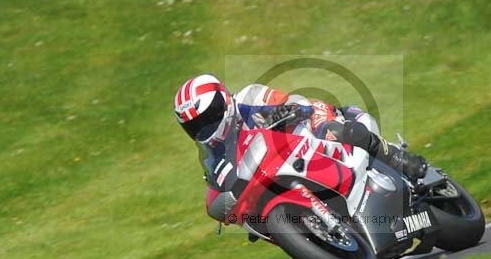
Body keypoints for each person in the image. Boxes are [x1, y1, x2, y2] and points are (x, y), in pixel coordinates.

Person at [173, 74, 428, 180]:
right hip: (283, 168)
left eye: (210, 116)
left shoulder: (248, 98)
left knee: (334, 132)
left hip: (307, 127)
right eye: (196, 125)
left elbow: (294, 103)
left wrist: (284, 110)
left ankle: (398, 158)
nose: (207, 127)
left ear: (224, 102)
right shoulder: (216, 156)